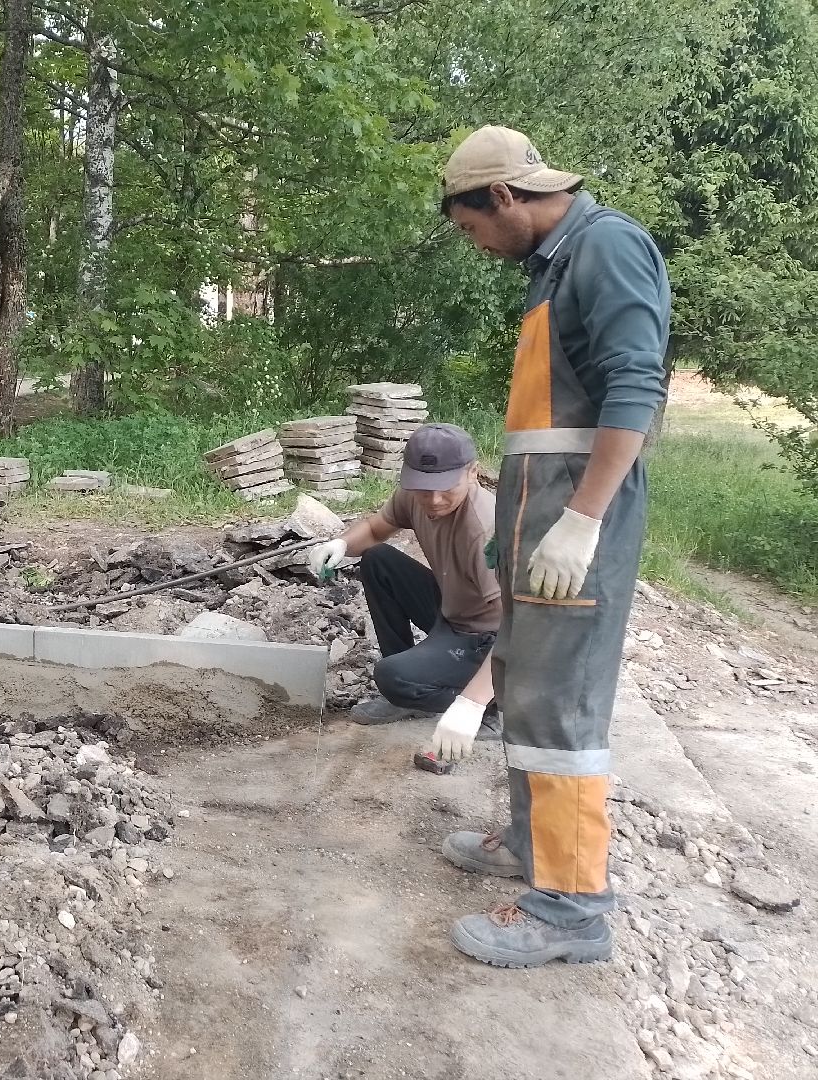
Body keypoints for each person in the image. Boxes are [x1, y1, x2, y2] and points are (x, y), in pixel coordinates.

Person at [434, 125, 670, 968]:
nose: (475, 245)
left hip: (579, 524)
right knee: (529, 690)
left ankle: (571, 908)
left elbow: (635, 386)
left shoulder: (606, 248)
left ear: (503, 196)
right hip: (544, 519)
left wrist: (585, 519)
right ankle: (534, 850)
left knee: (564, 707)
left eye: (471, 228)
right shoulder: (555, 264)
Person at [308, 423, 500, 737]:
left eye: (445, 487)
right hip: (451, 610)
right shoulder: (416, 496)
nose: (434, 499)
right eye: (424, 488)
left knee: (392, 677)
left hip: (485, 637)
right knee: (378, 559)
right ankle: (409, 695)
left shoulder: (485, 531)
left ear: (472, 472)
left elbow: (519, 630)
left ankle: (494, 707)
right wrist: (340, 544)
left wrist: (473, 702)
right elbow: (374, 529)